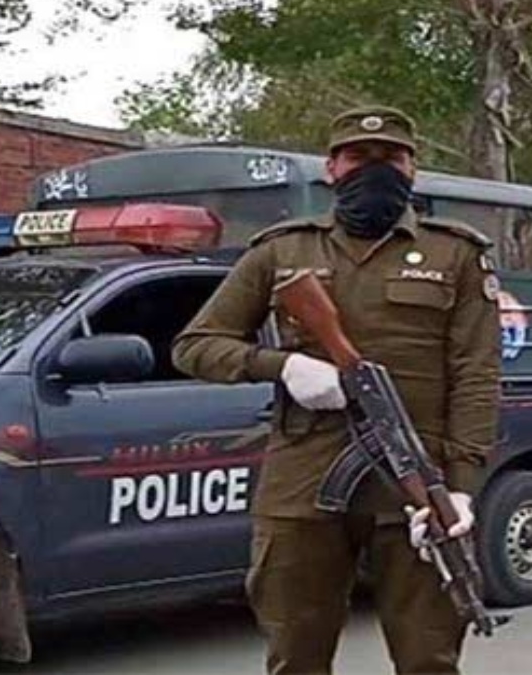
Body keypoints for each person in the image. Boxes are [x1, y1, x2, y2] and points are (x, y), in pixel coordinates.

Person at [172, 105, 501, 675]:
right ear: (331, 168)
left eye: (390, 157)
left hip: (417, 485)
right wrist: (282, 366)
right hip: (303, 485)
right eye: (358, 157)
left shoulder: (456, 254)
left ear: (413, 169)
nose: (374, 168)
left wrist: (461, 487)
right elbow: (195, 345)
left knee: (429, 658)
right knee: (296, 655)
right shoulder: (282, 250)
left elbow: (477, 376)